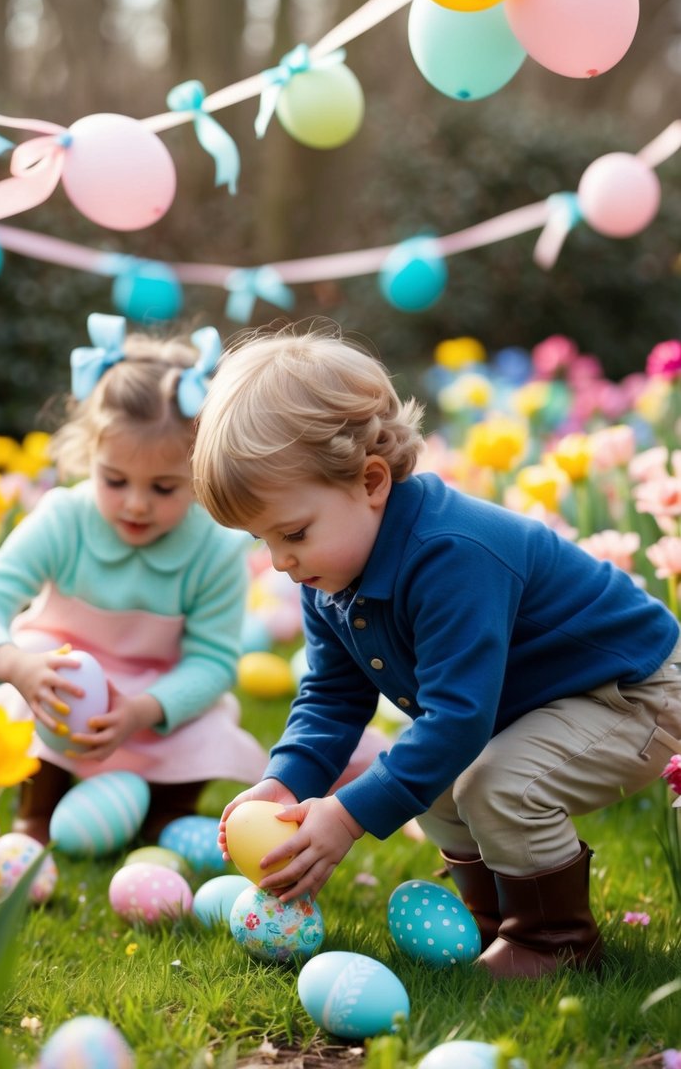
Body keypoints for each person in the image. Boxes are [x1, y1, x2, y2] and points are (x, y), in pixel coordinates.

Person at [190, 324, 681, 980]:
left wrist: (345, 817)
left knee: (493, 779)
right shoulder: (326, 572)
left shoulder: (451, 554)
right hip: (540, 702)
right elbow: (331, 699)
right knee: (430, 781)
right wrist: (286, 782)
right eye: (262, 541)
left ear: (369, 482)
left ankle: (553, 941)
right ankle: (495, 923)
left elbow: (457, 720)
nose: (279, 562)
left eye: (292, 532)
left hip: (630, 693)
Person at [0, 315, 269, 844]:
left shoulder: (213, 548)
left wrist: (141, 711)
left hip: (152, 694)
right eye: (115, 480)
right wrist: (18, 667)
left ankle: (164, 818)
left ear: (203, 472)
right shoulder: (65, 519)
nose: (136, 504)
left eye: (165, 488)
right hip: (58, 684)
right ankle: (39, 814)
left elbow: (213, 662)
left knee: (205, 724)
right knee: (21, 698)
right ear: (88, 455)